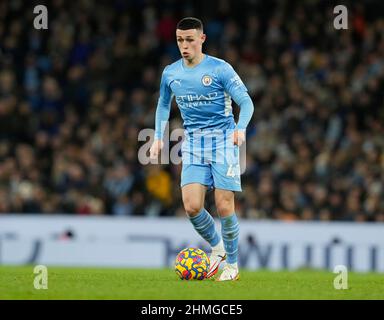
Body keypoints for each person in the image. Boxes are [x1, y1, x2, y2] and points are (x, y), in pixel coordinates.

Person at [149, 17, 254, 281]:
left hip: (223, 142)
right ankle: (217, 249)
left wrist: (241, 128)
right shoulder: (171, 72)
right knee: (192, 206)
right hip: (194, 144)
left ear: (202, 39)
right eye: (180, 40)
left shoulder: (220, 69)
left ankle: (231, 265)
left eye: (190, 40)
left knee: (224, 204)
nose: (184, 46)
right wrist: (158, 138)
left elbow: (247, 102)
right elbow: (163, 104)